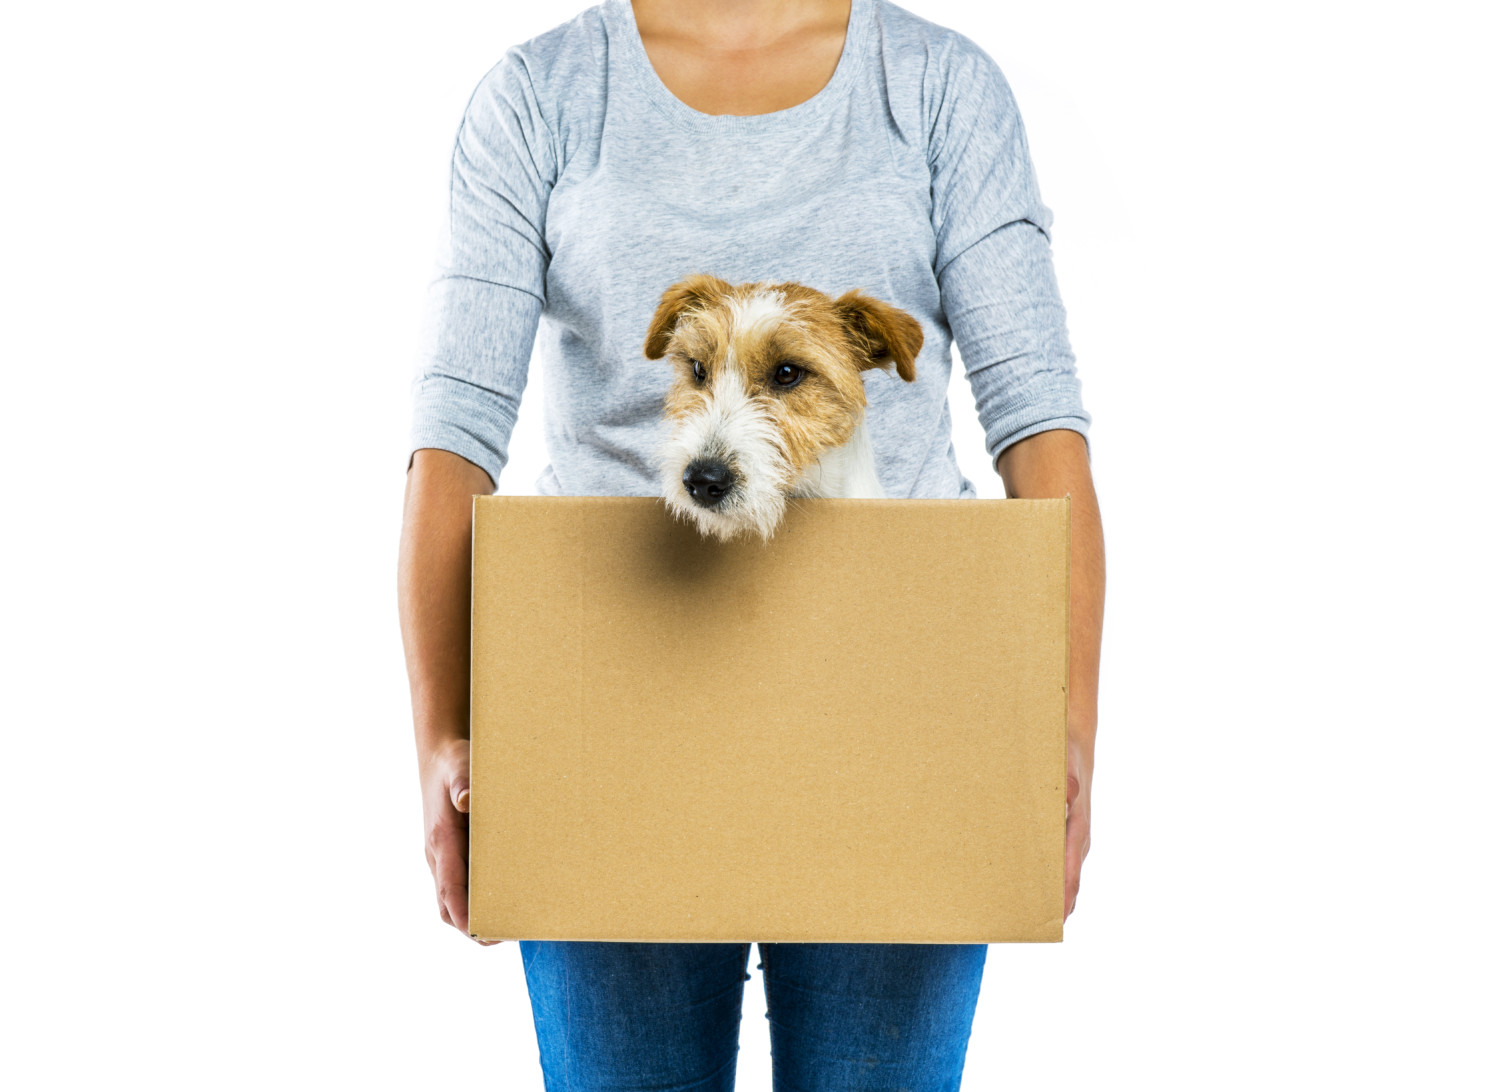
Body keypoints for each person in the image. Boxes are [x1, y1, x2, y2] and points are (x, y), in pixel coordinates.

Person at [397, 0, 1105, 1086]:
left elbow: (1040, 426)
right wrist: (442, 738)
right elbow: (451, 438)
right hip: (609, 702)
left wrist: (1061, 731)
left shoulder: (937, 86)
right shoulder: (543, 93)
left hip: (903, 711)